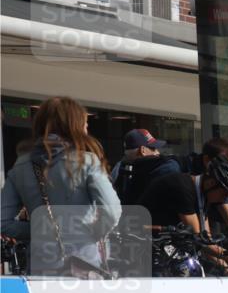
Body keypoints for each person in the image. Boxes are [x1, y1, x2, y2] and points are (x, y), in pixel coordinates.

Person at [1, 97, 121, 275]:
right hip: (85, 263)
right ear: (73, 125)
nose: (87, 128)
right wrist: (90, 232)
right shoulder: (86, 161)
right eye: (85, 123)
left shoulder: (21, 165)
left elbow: (3, 222)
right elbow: (112, 211)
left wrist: (42, 231)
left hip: (41, 264)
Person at [111, 128, 183, 205]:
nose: (158, 152)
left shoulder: (119, 168)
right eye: (153, 148)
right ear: (143, 150)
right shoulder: (166, 168)